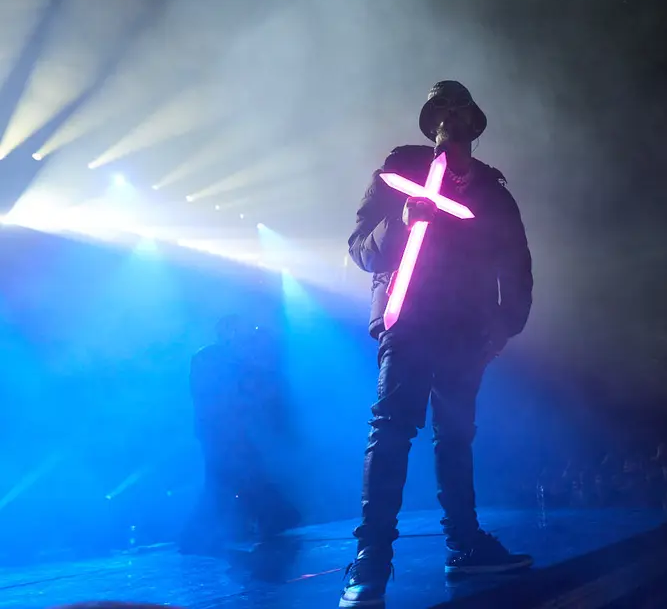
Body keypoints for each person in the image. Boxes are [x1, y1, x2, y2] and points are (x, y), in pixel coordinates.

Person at [340, 80, 534, 608]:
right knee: (393, 427)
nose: (448, 118)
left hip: (466, 327)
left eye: (458, 109)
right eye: (438, 110)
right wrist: (400, 227)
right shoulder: (400, 170)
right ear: (430, 123)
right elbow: (359, 247)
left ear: (475, 121)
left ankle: (465, 546)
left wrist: (506, 322)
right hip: (409, 318)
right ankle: (371, 560)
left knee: (456, 435)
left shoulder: (492, 191)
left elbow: (516, 261)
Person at [181, 315, 299, 555]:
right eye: (235, 330)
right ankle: (197, 536)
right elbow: (218, 392)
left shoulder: (224, 357)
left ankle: (261, 522)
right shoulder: (210, 357)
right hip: (218, 430)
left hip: (226, 429)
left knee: (229, 478)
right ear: (225, 332)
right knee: (226, 478)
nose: (241, 334)